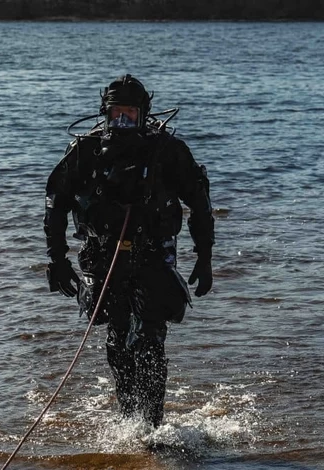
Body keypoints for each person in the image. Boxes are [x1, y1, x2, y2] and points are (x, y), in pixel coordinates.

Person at [43, 74, 215, 428]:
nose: (122, 123)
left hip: (153, 254)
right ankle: (129, 419)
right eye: (115, 114)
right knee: (118, 340)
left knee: (150, 340)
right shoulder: (86, 152)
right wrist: (56, 260)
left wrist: (205, 255)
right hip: (103, 255)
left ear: (144, 113)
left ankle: (151, 428)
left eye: (130, 115)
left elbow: (200, 203)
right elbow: (55, 204)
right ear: (104, 113)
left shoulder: (167, 151)